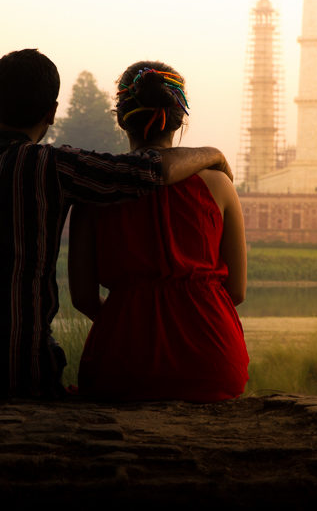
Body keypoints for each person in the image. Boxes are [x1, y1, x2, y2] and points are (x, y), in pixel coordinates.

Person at [0, 49, 232, 401]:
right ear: (52, 113)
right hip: (15, 367)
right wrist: (213, 155)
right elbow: (153, 171)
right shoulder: (56, 167)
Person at [69, 61, 248, 402]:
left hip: (120, 360)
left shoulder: (94, 191)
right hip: (212, 359)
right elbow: (236, 291)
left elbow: (83, 298)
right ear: (180, 119)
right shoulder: (220, 186)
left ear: (122, 118)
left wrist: (131, 316)